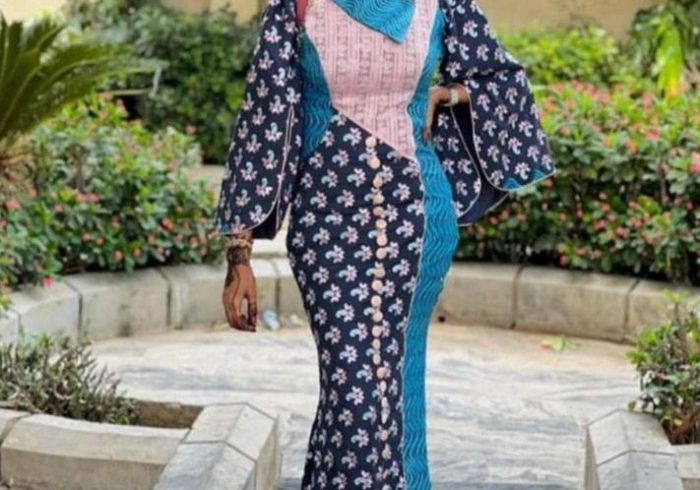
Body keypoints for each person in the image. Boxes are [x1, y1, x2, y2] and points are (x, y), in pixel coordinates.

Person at [214, 0, 556, 488]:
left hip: (418, 220)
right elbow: (264, 119)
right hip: (327, 225)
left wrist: (449, 94)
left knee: (392, 386)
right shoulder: (295, 5)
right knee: (353, 392)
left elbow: (504, 81)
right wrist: (239, 253)